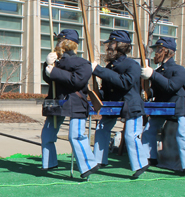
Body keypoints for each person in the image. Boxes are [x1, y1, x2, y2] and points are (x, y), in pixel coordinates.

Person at [42, 29, 99, 179]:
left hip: (76, 103)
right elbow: (49, 80)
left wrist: (53, 71)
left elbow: (77, 81)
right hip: (57, 101)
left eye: (61, 41)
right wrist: (46, 65)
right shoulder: (56, 62)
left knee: (76, 136)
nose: (58, 44)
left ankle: (88, 165)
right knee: (47, 134)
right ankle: (49, 162)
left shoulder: (82, 63)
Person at [92, 30, 149, 178]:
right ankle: (99, 160)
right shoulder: (109, 68)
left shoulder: (132, 65)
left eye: (112, 44)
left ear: (121, 46)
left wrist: (99, 70)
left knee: (131, 135)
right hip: (113, 105)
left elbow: (125, 82)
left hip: (131, 104)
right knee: (102, 129)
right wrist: (95, 93)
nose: (108, 47)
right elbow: (107, 90)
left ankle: (141, 164)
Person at [141, 37, 185, 173]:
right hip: (163, 105)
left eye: (158, 50)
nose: (155, 52)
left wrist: (153, 74)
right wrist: (147, 92)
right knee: (149, 129)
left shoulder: (180, 70)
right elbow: (158, 89)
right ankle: (150, 157)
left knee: (182, 134)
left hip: (180, 105)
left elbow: (171, 87)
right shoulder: (159, 71)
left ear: (166, 51)